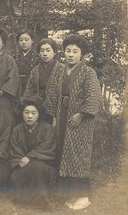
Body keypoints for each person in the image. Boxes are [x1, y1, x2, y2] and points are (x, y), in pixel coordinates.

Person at [46, 35, 102, 210]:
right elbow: (53, 93)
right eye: (68, 51)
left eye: (75, 52)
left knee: (78, 155)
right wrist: (54, 115)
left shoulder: (88, 72)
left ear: (82, 54)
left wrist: (81, 114)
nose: (70, 55)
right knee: (64, 153)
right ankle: (71, 195)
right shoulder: (60, 71)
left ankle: (83, 196)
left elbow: (93, 96)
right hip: (62, 116)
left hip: (80, 120)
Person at [9, 96, 56, 210]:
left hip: (43, 167)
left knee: (36, 167)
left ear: (39, 114)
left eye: (34, 113)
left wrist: (30, 157)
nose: (29, 116)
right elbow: (15, 150)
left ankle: (42, 202)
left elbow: (48, 148)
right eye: (26, 112)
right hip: (21, 166)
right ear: (22, 113)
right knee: (19, 174)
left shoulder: (47, 128)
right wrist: (23, 160)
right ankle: (27, 200)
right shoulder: (17, 130)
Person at [22, 38, 66, 124]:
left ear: (54, 52)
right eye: (42, 51)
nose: (45, 53)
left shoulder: (62, 69)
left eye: (48, 50)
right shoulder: (35, 70)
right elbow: (29, 90)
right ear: (39, 53)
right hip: (38, 107)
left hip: (56, 108)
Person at [16, 29, 39, 94]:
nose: (23, 42)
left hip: (31, 86)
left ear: (32, 41)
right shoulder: (14, 56)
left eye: (26, 40)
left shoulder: (37, 57)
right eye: (21, 40)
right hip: (17, 86)